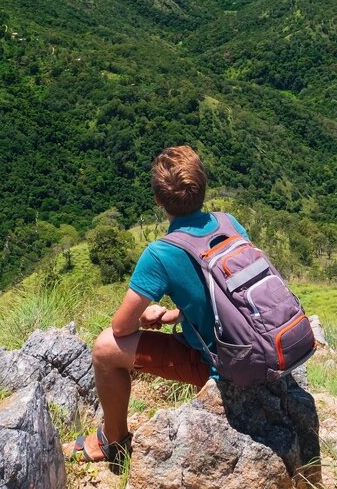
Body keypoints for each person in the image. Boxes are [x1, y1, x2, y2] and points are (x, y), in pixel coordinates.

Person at [67, 144, 248, 467]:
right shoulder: (229, 223)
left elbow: (121, 328)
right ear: (203, 188)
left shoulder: (161, 253)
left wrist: (144, 316)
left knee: (105, 348)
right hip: (252, 346)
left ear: (158, 200)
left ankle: (112, 442)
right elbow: (227, 291)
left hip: (220, 366)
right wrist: (176, 314)